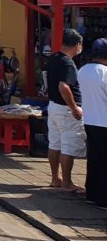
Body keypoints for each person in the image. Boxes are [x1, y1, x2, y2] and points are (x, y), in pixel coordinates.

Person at [46, 28, 87, 195]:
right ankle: (67, 183)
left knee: (55, 143)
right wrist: (74, 107)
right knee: (68, 145)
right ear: (77, 45)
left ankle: (55, 178)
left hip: (54, 106)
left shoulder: (54, 58)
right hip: (66, 109)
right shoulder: (68, 63)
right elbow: (64, 86)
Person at [77, 38, 107, 209]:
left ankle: (91, 193)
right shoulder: (104, 72)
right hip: (105, 121)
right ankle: (103, 199)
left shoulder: (83, 70)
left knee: (94, 158)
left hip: (90, 120)